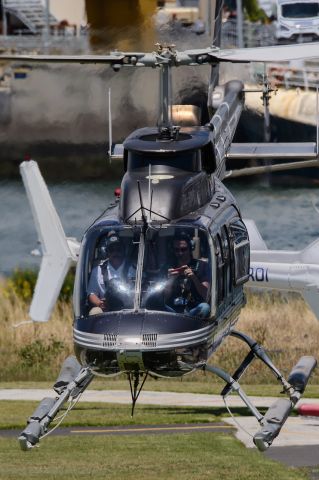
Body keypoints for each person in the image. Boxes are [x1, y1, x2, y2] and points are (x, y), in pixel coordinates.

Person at [87, 232, 135, 315]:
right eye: (112, 250)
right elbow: (91, 293)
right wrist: (100, 303)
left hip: (128, 308)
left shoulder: (133, 269)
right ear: (107, 252)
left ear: (123, 251)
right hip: (106, 308)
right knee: (94, 312)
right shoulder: (97, 270)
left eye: (118, 249)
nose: (115, 253)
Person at [164, 232, 211, 318]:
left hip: (193, 309)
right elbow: (164, 298)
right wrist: (170, 281)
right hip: (172, 310)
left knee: (205, 307)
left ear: (190, 248)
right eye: (176, 250)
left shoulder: (201, 266)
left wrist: (194, 278)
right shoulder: (168, 267)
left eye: (183, 249)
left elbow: (206, 295)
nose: (180, 253)